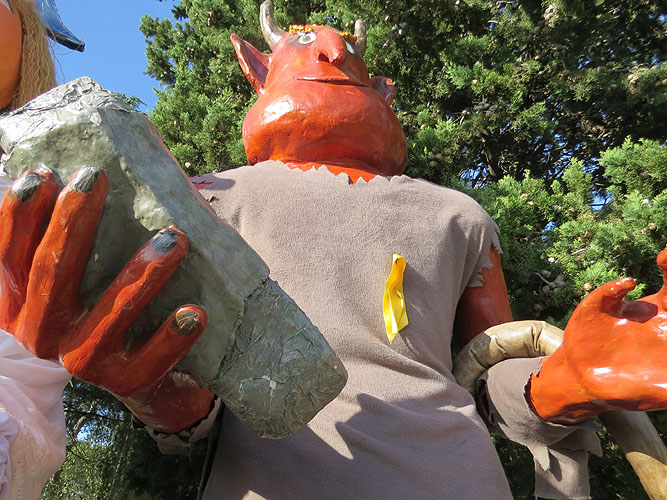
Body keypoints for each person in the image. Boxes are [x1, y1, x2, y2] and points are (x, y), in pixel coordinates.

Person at [1, 1, 665, 499]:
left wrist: (564, 382)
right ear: (257, 71)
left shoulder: (459, 215)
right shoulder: (205, 199)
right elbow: (186, 382)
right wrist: (157, 394)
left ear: (383, 91)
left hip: (458, 477)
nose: (329, 55)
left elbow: (490, 374)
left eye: (345, 52)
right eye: (302, 44)